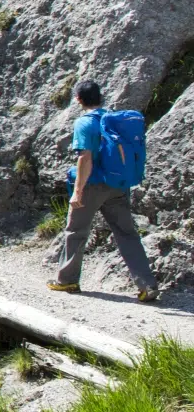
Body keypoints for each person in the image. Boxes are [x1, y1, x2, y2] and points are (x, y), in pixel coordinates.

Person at [49, 80, 158, 300]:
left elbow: (85, 158)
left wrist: (77, 192)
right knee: (127, 234)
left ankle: (67, 281)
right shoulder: (113, 119)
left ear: (78, 99)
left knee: (76, 231)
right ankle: (147, 285)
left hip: (92, 186)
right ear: (101, 97)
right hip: (118, 186)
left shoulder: (85, 123)